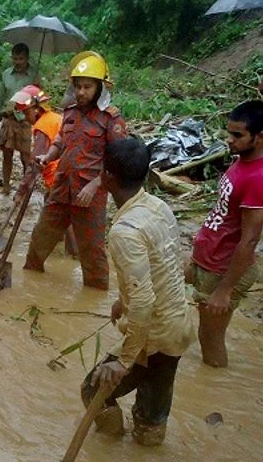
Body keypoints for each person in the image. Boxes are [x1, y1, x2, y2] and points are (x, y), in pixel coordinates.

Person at [80, 137, 195, 446]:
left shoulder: (125, 232)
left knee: (93, 389)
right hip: (177, 324)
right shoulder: (159, 206)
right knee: (151, 416)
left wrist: (124, 360)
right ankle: (146, 442)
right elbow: (164, 265)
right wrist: (122, 300)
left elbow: (143, 301)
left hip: (153, 333)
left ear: (107, 177)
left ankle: (109, 442)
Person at [23, 54, 128, 290]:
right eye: (78, 86)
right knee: (40, 240)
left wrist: (95, 185)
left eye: (87, 87)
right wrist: (47, 156)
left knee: (92, 253)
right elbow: (61, 141)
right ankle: (29, 286)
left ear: (100, 88)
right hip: (61, 188)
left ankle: (95, 294)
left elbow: (118, 160)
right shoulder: (70, 112)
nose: (81, 92)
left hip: (89, 196)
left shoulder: (111, 119)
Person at [187, 100, 263, 368]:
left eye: (237, 135)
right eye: (229, 133)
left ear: (259, 137)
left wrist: (225, 290)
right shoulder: (241, 161)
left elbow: (250, 240)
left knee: (210, 338)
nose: (229, 140)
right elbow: (223, 213)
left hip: (223, 268)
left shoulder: (258, 178)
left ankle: (215, 382)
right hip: (209, 258)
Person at [11, 85, 77, 256]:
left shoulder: (43, 126)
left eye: (26, 113)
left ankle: (73, 255)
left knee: (61, 216)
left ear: (35, 109)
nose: (26, 118)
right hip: (69, 172)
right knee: (62, 212)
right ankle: (66, 251)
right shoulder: (54, 118)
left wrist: (21, 191)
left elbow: (35, 164)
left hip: (58, 177)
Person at [0, 43, 40, 194]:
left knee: (25, 157)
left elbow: (39, 98)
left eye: (21, 59)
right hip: (8, 119)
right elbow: (1, 99)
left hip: (25, 120)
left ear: (27, 58)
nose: (18, 62)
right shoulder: (6, 74)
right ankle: (6, 186)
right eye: (15, 58)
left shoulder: (34, 75)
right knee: (7, 154)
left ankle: (25, 188)